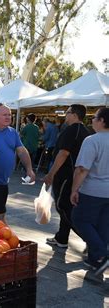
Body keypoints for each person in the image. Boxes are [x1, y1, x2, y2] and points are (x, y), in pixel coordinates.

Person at [44, 104, 90, 248]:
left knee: (63, 206)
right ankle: (62, 238)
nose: (65, 115)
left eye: (67, 112)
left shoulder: (72, 130)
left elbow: (63, 153)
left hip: (66, 174)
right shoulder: (85, 131)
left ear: (74, 115)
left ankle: (92, 240)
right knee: (67, 206)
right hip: (76, 175)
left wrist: (51, 174)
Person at [70, 107, 109, 275]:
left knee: (79, 220)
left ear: (101, 121)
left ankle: (102, 255)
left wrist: (74, 189)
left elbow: (82, 169)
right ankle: (95, 260)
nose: (92, 120)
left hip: (93, 190)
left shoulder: (93, 140)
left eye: (95, 118)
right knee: (103, 226)